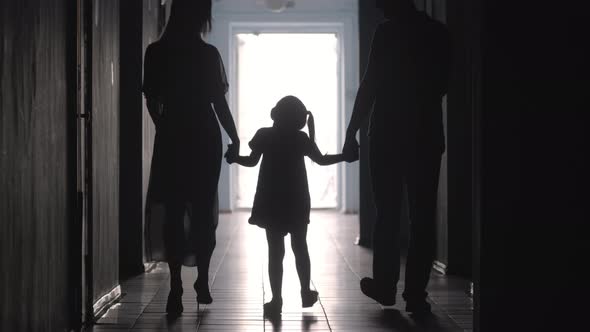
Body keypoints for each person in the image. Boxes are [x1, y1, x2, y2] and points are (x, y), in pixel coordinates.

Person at [343, 0, 451, 314]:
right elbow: (442, 85)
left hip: (387, 133)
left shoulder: (387, 33)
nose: (378, 6)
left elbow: (370, 85)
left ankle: (386, 285)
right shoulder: (438, 33)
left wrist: (352, 133)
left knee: (387, 213)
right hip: (426, 134)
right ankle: (415, 294)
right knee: (422, 216)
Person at [141, 0, 240, 315]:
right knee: (201, 208)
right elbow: (218, 104)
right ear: (201, 17)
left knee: (172, 210)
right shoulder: (207, 55)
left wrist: (164, 126)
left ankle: (175, 285)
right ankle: (202, 279)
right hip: (204, 138)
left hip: (172, 139)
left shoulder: (156, 52)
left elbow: (151, 100)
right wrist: (235, 137)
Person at [225, 96, 358, 317]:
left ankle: (276, 299)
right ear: (299, 120)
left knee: (275, 252)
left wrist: (233, 158)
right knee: (300, 248)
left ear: (275, 114)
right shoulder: (301, 138)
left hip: (270, 200)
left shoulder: (264, 135)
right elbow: (322, 160)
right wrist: (345, 156)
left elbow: (251, 161)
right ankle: (305, 291)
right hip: (297, 200)